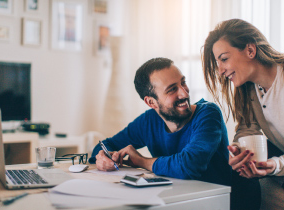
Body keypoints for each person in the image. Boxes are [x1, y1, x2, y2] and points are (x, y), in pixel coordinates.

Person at [89, 57, 231, 186]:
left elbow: (190, 165)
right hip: (175, 198)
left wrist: (142, 161)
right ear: (151, 102)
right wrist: (102, 158)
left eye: (183, 83)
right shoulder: (149, 121)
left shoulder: (208, 114)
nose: (184, 93)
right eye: (172, 89)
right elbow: (106, 145)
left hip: (219, 201)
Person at [202, 18, 284, 210]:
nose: (221, 70)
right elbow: (247, 128)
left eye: (224, 59)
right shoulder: (248, 91)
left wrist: (275, 165)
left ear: (250, 50)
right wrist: (240, 152)